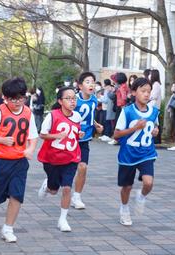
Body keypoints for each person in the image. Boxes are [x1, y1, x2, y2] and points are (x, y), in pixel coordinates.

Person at [0, 77, 38, 243]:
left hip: (20, 161)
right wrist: (1, 140)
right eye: (13, 99)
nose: (18, 102)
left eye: (21, 97)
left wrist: (30, 149)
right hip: (0, 161)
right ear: (5, 97)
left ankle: (8, 228)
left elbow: (33, 136)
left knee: (17, 194)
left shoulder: (28, 112)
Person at [114, 77, 159, 226]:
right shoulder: (127, 111)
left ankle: (141, 196)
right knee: (126, 187)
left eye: (149, 91)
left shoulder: (154, 111)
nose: (146, 94)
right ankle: (124, 209)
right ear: (134, 92)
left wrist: (155, 131)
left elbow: (155, 126)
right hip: (128, 154)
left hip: (147, 153)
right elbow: (116, 134)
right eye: (143, 91)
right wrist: (135, 128)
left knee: (148, 182)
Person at [37, 86, 83, 232]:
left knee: (67, 188)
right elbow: (42, 135)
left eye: (74, 98)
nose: (72, 101)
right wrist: (56, 135)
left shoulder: (77, 116)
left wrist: (78, 134)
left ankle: (62, 219)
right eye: (68, 98)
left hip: (71, 157)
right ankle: (47, 186)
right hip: (52, 159)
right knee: (53, 190)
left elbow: (72, 134)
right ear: (60, 101)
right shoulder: (52, 116)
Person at [71, 72, 104, 209]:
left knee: (83, 167)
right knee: (64, 167)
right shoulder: (74, 99)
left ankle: (77, 196)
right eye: (88, 81)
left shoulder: (94, 100)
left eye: (93, 82)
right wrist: (75, 130)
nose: (91, 84)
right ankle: (50, 182)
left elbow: (89, 116)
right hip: (71, 139)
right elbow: (66, 115)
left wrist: (96, 124)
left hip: (85, 140)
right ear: (80, 86)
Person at [148, 69, 162, 144]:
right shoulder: (154, 84)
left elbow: (154, 96)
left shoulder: (156, 84)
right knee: (154, 123)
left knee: (155, 123)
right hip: (153, 106)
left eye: (150, 74)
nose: (149, 76)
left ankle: (156, 140)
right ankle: (155, 139)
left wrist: (147, 98)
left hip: (154, 107)